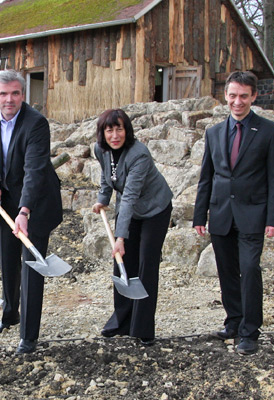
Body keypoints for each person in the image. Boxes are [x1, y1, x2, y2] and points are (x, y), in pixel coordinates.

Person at [193, 71, 274, 355]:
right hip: (221, 213)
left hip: (253, 214)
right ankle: (234, 320)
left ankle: (250, 331)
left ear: (254, 96)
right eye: (232, 95)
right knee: (227, 273)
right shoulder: (214, 132)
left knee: (249, 269)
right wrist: (199, 215)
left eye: (244, 96)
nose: (237, 102)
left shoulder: (269, 131)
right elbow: (206, 176)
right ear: (226, 95)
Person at [0, 69, 63, 354]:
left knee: (31, 265)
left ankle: (29, 334)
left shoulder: (36, 123)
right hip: (6, 200)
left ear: (23, 96)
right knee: (8, 260)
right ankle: (10, 314)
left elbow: (35, 170)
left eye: (15, 93)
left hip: (36, 201)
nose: (9, 99)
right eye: (3, 94)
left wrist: (24, 211)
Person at [91, 108, 173, 346]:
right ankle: (122, 320)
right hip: (131, 211)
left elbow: (128, 197)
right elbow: (107, 178)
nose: (115, 135)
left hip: (154, 210)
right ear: (103, 133)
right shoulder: (101, 149)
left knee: (146, 263)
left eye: (119, 129)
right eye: (109, 130)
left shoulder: (139, 155)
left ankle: (143, 328)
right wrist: (103, 199)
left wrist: (120, 238)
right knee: (123, 264)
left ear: (127, 131)